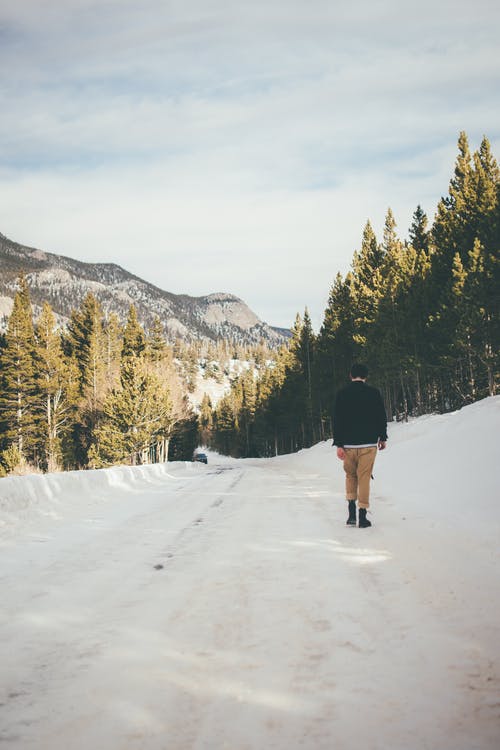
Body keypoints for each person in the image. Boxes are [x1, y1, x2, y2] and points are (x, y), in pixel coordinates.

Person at [333, 363, 387, 527]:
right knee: (364, 478)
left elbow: (337, 420)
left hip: (348, 445)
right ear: (366, 376)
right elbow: (381, 417)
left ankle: (351, 514)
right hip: (369, 443)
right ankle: (362, 517)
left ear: (350, 375)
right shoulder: (374, 393)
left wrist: (339, 444)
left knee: (350, 476)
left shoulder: (342, 394)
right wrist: (382, 438)